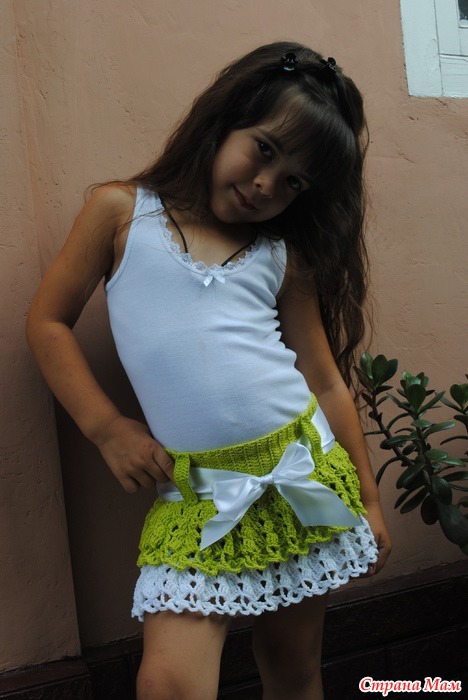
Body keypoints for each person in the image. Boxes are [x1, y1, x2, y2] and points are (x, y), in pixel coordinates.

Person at [26, 41, 391, 700]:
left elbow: (324, 379)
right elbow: (48, 323)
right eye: (265, 150)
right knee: (167, 682)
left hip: (299, 471)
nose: (266, 185)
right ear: (224, 121)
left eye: (294, 182)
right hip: (196, 497)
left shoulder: (281, 254)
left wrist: (367, 497)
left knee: (292, 666)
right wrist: (107, 428)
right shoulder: (121, 212)